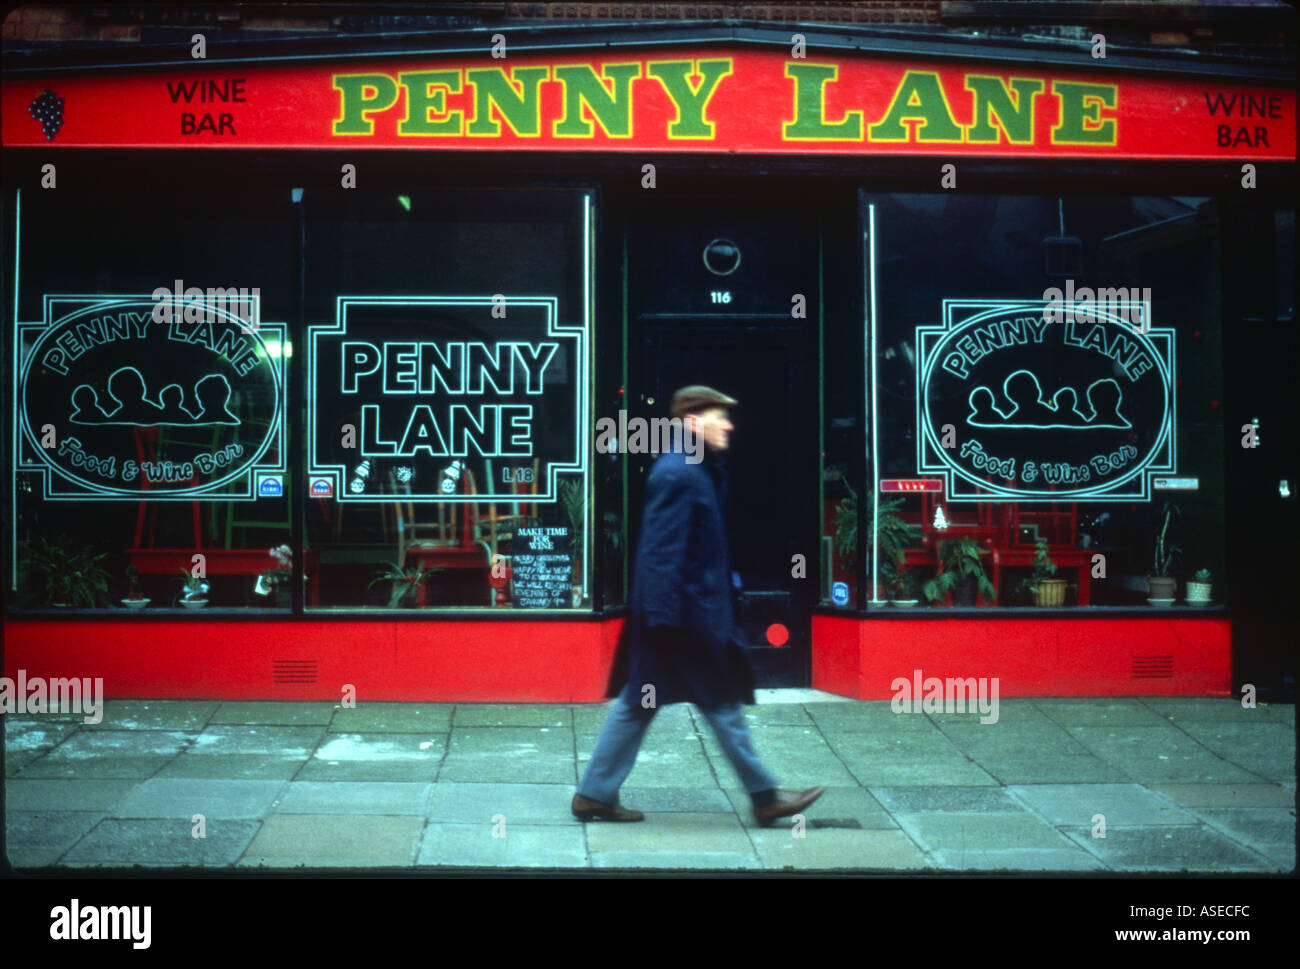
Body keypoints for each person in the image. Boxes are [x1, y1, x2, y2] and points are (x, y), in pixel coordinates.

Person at [571, 385, 824, 826]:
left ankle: (594, 794)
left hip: (679, 617)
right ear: (692, 423)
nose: (728, 425)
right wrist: (664, 621)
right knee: (718, 703)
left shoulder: (698, 469)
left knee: (641, 703)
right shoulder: (679, 473)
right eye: (718, 416)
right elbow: (659, 553)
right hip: (681, 621)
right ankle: (764, 797)